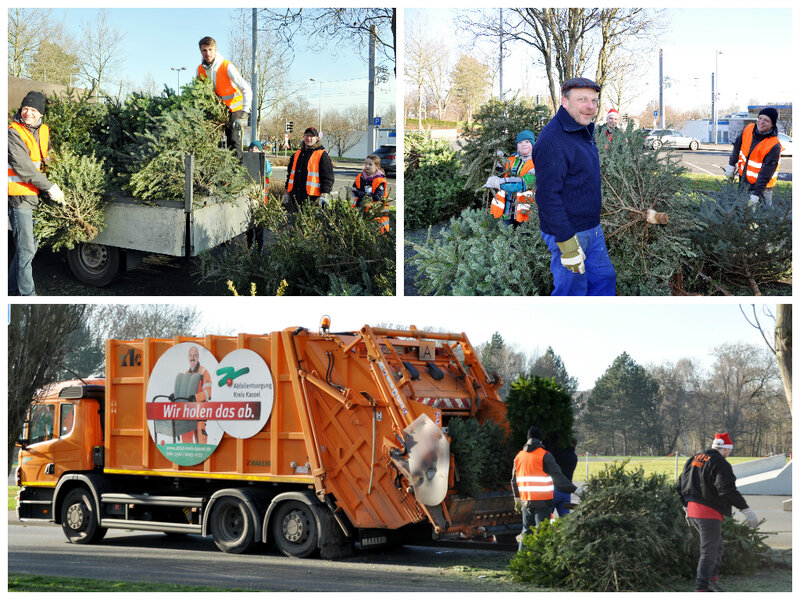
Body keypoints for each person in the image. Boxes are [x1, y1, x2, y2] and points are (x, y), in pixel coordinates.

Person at [531, 77, 616, 296]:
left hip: (592, 229)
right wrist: (567, 244)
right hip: (568, 232)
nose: (590, 106)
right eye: (582, 100)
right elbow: (548, 198)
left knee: (604, 279)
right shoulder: (553, 140)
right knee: (572, 291)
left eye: (594, 101)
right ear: (564, 102)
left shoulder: (580, 129)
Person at [677, 433, 759, 592]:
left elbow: (679, 484)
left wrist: (685, 505)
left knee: (717, 547)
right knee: (709, 552)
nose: (729, 454)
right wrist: (746, 509)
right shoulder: (720, 463)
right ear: (726, 449)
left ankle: (712, 582)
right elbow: (727, 490)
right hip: (708, 512)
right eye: (729, 451)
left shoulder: (695, 459)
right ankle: (702, 589)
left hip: (693, 511)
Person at [8, 91, 66, 296]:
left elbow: (47, 160)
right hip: (19, 196)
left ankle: (10, 287)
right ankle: (27, 295)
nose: (28, 113)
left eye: (33, 110)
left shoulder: (43, 132)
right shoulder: (13, 133)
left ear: (41, 113)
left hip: (36, 196)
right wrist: (49, 186)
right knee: (26, 249)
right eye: (25, 108)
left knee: (29, 246)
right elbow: (24, 168)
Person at [511, 426, 577, 551]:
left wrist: (517, 498)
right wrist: (575, 490)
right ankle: (541, 561)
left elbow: (514, 480)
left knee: (526, 533)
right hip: (543, 503)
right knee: (543, 533)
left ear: (528, 439)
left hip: (526, 502)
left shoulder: (519, 456)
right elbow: (559, 477)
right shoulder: (545, 456)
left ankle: (521, 562)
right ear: (540, 440)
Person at [197, 36, 252, 160]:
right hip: (215, 109)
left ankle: (236, 172)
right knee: (208, 139)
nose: (208, 53)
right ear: (201, 51)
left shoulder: (226, 67)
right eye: (204, 50)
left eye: (210, 50)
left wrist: (244, 114)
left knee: (233, 140)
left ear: (216, 50)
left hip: (234, 108)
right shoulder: (200, 70)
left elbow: (246, 89)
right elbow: (198, 93)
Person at [725, 108, 782, 207]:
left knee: (764, 216)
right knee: (741, 212)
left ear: (772, 124)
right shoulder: (748, 129)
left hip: (763, 189)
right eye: (760, 118)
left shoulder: (773, 145)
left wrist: (756, 194)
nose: (761, 122)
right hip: (744, 182)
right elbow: (737, 146)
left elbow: (765, 174)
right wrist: (731, 165)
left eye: (766, 120)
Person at [484, 129, 536, 227]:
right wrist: (498, 160)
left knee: (522, 236)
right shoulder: (512, 159)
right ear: (517, 146)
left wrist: (499, 182)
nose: (523, 144)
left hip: (526, 212)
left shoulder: (537, 162)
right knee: (507, 235)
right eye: (520, 142)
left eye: (527, 142)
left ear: (533, 144)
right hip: (508, 210)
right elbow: (502, 172)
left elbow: (522, 183)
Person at [283, 127, 334, 211]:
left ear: (317, 138)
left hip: (313, 200)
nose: (308, 138)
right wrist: (286, 192)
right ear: (303, 137)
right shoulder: (296, 155)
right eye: (306, 135)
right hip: (296, 199)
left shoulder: (322, 155)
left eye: (311, 136)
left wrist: (324, 194)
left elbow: (328, 177)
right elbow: (290, 176)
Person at [352, 155, 389, 233]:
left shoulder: (379, 180)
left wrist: (360, 193)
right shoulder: (360, 176)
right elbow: (354, 189)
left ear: (377, 166)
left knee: (375, 234)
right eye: (366, 163)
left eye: (370, 164)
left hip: (376, 213)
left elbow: (377, 197)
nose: (367, 166)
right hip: (360, 211)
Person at [183, 346, 212, 444]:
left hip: (200, 412)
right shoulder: (186, 374)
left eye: (194, 355)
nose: (192, 357)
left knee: (201, 441)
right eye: (190, 355)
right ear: (188, 357)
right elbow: (183, 391)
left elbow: (208, 392)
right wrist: (174, 394)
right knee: (186, 440)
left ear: (198, 357)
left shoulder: (204, 372)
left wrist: (195, 397)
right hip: (188, 412)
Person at [548, 438, 578, 517]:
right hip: (566, 492)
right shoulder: (574, 457)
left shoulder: (558, 453)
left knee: (546, 518)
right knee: (565, 519)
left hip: (554, 490)